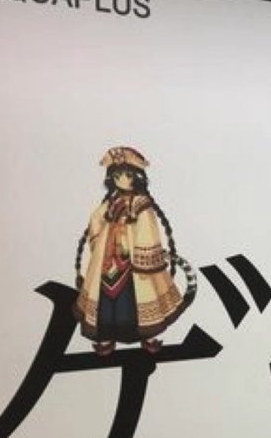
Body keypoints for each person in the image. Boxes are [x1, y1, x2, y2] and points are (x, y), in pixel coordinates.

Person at [73, 146, 194, 354]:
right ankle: (106, 337)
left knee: (139, 298)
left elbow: (147, 230)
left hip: (134, 261)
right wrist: (100, 240)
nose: (122, 180)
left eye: (127, 175)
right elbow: (96, 218)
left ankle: (147, 336)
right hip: (108, 260)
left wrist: (141, 256)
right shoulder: (112, 201)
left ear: (137, 177)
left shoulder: (141, 204)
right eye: (117, 176)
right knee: (106, 301)